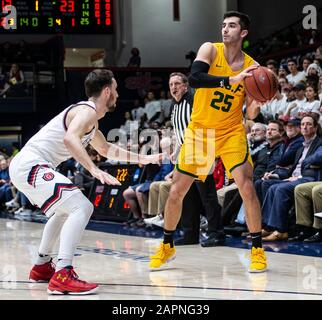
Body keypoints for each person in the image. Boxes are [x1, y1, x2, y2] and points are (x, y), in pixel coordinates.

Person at [9, 69, 163, 295]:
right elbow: (69, 138)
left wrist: (144, 158)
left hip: (27, 166)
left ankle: (42, 266)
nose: (118, 95)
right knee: (82, 206)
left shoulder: (90, 120)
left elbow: (106, 148)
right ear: (107, 91)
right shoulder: (87, 111)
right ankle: (63, 273)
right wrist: (93, 169)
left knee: (63, 212)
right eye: (117, 90)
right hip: (31, 164)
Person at [149, 11, 267, 272]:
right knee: (177, 191)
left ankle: (257, 250)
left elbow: (249, 111)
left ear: (243, 33)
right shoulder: (210, 50)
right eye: (223, 25)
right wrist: (229, 81)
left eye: (232, 26)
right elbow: (195, 78)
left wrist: (255, 106)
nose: (225, 30)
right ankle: (167, 245)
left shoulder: (253, 68)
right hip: (201, 131)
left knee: (247, 186)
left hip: (231, 132)